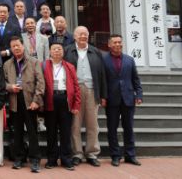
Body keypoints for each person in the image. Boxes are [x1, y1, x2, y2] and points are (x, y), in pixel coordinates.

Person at [64, 26, 107, 167]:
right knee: (75, 124)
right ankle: (76, 153)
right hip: (74, 91)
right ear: (74, 36)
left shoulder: (95, 51)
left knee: (92, 124)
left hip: (92, 89)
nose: (83, 36)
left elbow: (102, 74)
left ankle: (92, 153)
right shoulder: (67, 50)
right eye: (80, 34)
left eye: (85, 34)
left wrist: (103, 95)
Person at [4, 36, 44, 173]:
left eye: (18, 45)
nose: (16, 48)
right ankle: (19, 158)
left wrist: (36, 100)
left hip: (30, 100)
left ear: (23, 46)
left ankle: (35, 159)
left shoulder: (34, 62)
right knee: (17, 132)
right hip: (15, 100)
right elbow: (3, 82)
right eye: (13, 46)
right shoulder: (7, 64)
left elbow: (40, 82)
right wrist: (10, 87)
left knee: (32, 132)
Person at [103, 34, 143, 167]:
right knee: (112, 129)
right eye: (114, 42)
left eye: (119, 42)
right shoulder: (103, 60)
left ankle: (130, 155)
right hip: (111, 99)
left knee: (129, 128)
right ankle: (115, 156)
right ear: (109, 44)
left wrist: (139, 94)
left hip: (128, 98)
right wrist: (103, 96)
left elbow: (135, 79)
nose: (117, 44)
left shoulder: (129, 60)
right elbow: (102, 80)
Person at [42, 41, 81, 171]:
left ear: (63, 52)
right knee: (51, 131)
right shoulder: (44, 65)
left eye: (59, 49)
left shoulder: (69, 67)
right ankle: (52, 159)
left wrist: (76, 105)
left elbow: (76, 86)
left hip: (65, 100)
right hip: (50, 100)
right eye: (54, 49)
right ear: (50, 52)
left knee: (65, 131)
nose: (57, 51)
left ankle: (66, 159)